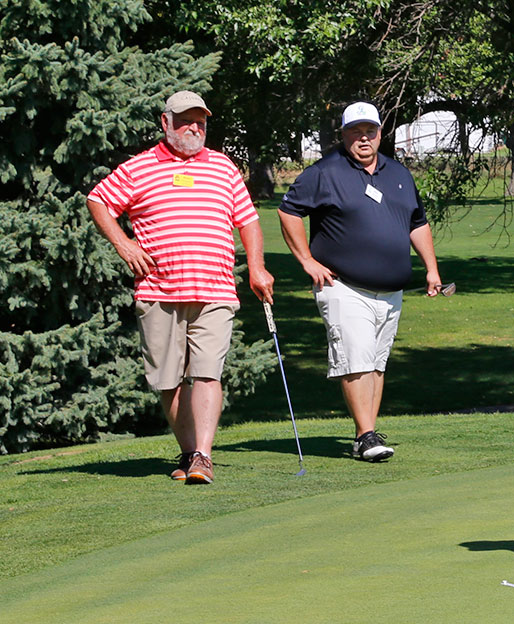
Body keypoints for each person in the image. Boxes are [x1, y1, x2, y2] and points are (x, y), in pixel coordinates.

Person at [87, 90, 274, 484]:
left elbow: (249, 221)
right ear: (165, 122)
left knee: (207, 372)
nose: (195, 127)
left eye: (201, 121)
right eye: (186, 120)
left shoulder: (223, 168)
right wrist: (124, 245)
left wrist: (256, 268)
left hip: (215, 290)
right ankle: (189, 451)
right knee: (168, 381)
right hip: (159, 291)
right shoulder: (139, 168)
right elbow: (98, 200)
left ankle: (203, 457)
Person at [277, 101, 442, 462]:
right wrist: (306, 260)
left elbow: (417, 222)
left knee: (376, 363)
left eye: (370, 131)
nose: (363, 138)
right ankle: (368, 435)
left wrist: (431, 268)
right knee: (355, 359)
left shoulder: (398, 173)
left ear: (381, 134)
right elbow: (288, 211)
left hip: (391, 291)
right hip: (343, 286)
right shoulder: (325, 172)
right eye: (356, 131)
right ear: (344, 134)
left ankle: (362, 436)